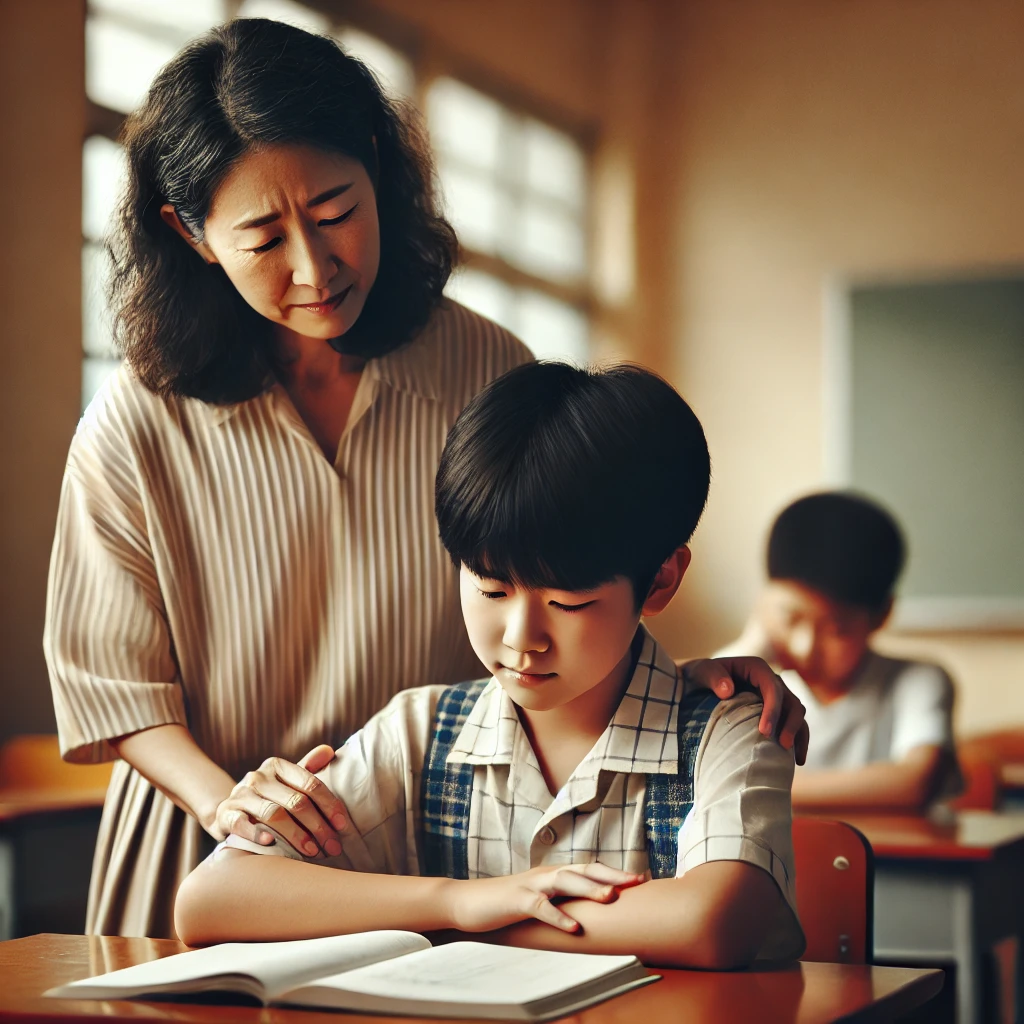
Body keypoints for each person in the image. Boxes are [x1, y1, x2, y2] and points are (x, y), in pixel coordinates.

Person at [44, 18, 805, 939]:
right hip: (214, 853)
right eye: (262, 237)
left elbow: (570, 559)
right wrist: (233, 805)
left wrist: (683, 684)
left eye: (335, 214)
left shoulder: (485, 363)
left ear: (376, 166)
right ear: (192, 233)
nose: (315, 268)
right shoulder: (137, 415)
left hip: (436, 843)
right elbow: (114, 689)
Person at [175, 361, 805, 969]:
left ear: (661, 579)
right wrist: (460, 901)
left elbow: (710, 923)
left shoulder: (729, 729)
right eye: (491, 589)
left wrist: (462, 926)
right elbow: (212, 899)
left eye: (569, 602)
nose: (522, 638)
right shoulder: (420, 730)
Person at [718, 491, 960, 812]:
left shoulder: (917, 680)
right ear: (763, 599)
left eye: (836, 630)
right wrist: (748, 650)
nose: (805, 646)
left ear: (882, 614)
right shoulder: (750, 682)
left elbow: (912, 782)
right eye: (790, 617)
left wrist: (750, 786)